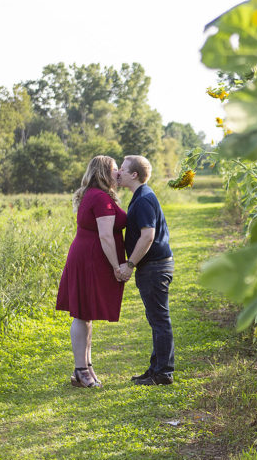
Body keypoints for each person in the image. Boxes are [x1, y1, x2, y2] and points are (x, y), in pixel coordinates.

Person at [55, 155, 128, 388]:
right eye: (115, 169)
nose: (118, 173)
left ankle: (85, 367)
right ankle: (80, 370)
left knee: (85, 314)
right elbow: (105, 236)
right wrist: (117, 266)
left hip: (86, 256)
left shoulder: (95, 194)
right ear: (104, 172)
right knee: (81, 313)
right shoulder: (100, 198)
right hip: (89, 260)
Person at [116, 155, 175, 386]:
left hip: (154, 266)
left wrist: (130, 264)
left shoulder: (142, 200)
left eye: (122, 169)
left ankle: (163, 373)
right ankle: (156, 369)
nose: (118, 172)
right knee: (156, 319)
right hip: (153, 266)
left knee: (159, 319)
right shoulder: (142, 195)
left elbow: (148, 235)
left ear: (134, 175)